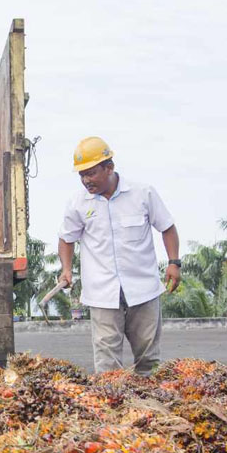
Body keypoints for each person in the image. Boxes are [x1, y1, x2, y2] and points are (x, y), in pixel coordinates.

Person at [57, 137, 181, 375]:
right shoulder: (77, 203)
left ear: (109, 168)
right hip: (102, 295)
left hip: (143, 291)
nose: (86, 180)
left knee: (149, 363)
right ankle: (112, 410)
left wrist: (174, 262)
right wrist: (66, 268)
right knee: (108, 367)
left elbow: (167, 227)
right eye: (82, 175)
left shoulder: (142, 194)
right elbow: (66, 239)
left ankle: (149, 407)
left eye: (91, 173)